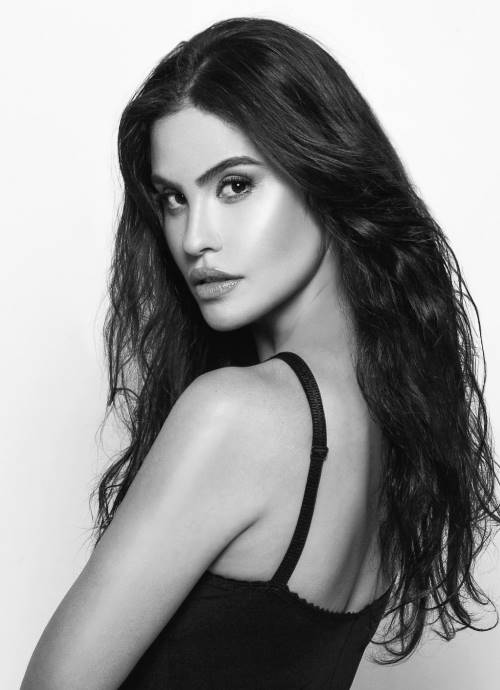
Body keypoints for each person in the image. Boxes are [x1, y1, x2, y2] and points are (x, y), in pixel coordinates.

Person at [21, 16, 500, 690]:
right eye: (173, 199)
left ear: (323, 175)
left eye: (235, 185)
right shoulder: (396, 424)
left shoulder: (237, 415)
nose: (195, 238)